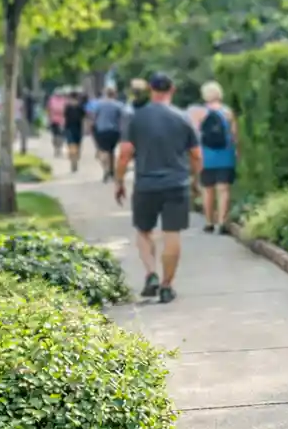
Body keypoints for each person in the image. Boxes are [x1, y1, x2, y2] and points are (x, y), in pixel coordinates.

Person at [113, 73, 201, 305]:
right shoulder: (183, 118)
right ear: (172, 90)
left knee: (143, 231)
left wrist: (119, 181)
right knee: (172, 234)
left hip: (146, 184)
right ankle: (166, 286)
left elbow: (124, 154)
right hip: (176, 184)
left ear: (151, 89)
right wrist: (195, 180)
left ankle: (151, 273)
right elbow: (196, 155)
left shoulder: (137, 118)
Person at [191, 81, 238, 234]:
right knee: (223, 189)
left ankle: (209, 222)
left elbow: (196, 136)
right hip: (225, 153)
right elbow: (234, 135)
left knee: (207, 189)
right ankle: (222, 222)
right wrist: (236, 150)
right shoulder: (228, 112)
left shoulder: (200, 113)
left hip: (206, 155)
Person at [89, 86, 126, 183]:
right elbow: (122, 119)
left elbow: (93, 118)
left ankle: (106, 169)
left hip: (101, 130)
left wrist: (92, 127)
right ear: (114, 94)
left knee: (103, 150)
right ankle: (111, 170)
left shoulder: (98, 105)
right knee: (111, 151)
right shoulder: (119, 105)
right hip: (114, 131)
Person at [62, 92, 86, 172]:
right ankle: (73, 161)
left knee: (77, 146)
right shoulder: (68, 107)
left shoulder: (80, 107)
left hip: (77, 128)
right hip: (70, 128)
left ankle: (75, 160)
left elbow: (83, 118)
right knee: (72, 146)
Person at [47, 89, 67, 157]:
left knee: (60, 136)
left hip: (61, 121)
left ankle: (59, 149)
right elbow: (49, 110)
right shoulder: (52, 100)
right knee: (56, 135)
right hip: (54, 120)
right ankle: (56, 148)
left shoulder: (64, 101)